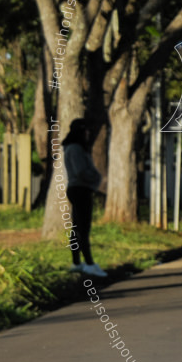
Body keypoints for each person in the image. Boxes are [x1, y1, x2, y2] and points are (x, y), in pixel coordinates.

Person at [63, 118, 107, 277]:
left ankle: (77, 261)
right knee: (83, 228)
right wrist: (95, 178)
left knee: (77, 228)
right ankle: (88, 263)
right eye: (85, 131)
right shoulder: (75, 149)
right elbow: (81, 171)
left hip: (80, 188)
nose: (88, 134)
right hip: (80, 189)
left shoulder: (75, 148)